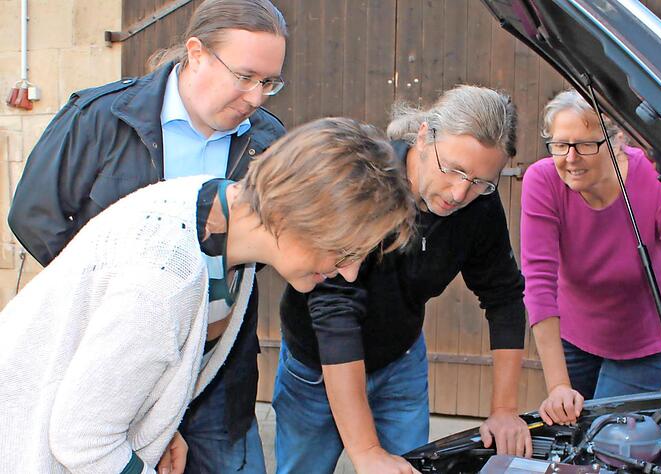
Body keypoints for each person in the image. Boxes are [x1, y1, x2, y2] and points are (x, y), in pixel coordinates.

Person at [0, 117, 415, 474]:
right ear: (298, 214)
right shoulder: (165, 277)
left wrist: (158, 424)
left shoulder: (220, 215)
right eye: (344, 251)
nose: (349, 272)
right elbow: (82, 439)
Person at [7, 0, 289, 470]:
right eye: (245, 76)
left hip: (215, 372)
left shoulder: (269, 139)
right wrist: (115, 304)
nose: (257, 97)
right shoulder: (101, 116)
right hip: (116, 361)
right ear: (196, 53)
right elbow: (36, 217)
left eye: (269, 82)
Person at [275, 85, 530, 474]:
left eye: (481, 181)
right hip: (317, 367)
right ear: (425, 137)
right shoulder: (364, 184)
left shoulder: (480, 206)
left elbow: (505, 297)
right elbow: (334, 313)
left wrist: (504, 410)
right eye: (454, 169)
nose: (461, 192)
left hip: (400, 363)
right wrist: (366, 452)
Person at [520, 90, 661, 427]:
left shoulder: (657, 180)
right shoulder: (542, 181)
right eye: (560, 145)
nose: (571, 158)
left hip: (643, 341)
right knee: (569, 432)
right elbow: (539, 279)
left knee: (608, 439)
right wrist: (558, 386)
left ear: (616, 141)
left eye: (586, 144)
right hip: (576, 331)